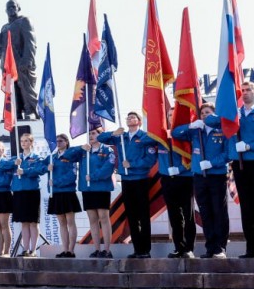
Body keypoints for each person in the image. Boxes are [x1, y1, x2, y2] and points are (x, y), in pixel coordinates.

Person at [207, 80, 254, 258]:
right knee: (246, 206)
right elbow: (211, 120)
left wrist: (249, 146)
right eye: (243, 90)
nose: (245, 93)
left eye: (248, 90)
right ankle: (251, 248)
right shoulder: (235, 115)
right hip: (240, 165)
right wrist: (228, 113)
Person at [98, 112, 158, 258]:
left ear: (139, 121)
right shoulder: (121, 136)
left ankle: (145, 250)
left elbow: (150, 159)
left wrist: (132, 164)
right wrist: (113, 133)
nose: (130, 119)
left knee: (143, 215)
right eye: (128, 117)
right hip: (126, 180)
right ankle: (137, 249)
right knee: (131, 215)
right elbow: (101, 138)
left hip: (140, 179)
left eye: (133, 117)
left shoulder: (145, 137)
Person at [174, 102, 228, 258]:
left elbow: (228, 153)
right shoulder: (196, 130)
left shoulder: (222, 130)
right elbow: (176, 133)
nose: (204, 116)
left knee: (218, 211)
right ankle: (210, 247)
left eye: (208, 113)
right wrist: (191, 125)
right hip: (199, 176)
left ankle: (220, 247)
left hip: (216, 175)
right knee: (205, 213)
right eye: (202, 113)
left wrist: (212, 163)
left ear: (214, 114)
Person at [68, 126, 116, 258]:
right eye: (89, 134)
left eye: (93, 133)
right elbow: (67, 155)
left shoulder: (107, 150)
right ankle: (97, 249)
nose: (91, 136)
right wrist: (80, 148)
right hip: (87, 189)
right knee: (92, 219)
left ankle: (107, 250)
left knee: (103, 218)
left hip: (101, 189)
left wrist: (93, 176)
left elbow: (108, 168)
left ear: (100, 135)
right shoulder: (84, 151)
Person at [158, 108, 196, 258]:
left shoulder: (187, 134)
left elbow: (193, 157)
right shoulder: (160, 136)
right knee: (174, 216)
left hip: (185, 177)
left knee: (188, 215)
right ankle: (178, 247)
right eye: (169, 115)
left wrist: (179, 169)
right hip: (167, 179)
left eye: (174, 114)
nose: (171, 117)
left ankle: (189, 248)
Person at [11, 133, 49, 257]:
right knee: (24, 222)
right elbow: (5, 167)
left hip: (32, 192)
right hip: (19, 192)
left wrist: (25, 171)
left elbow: (41, 170)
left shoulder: (36, 158)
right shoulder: (17, 158)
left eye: (26, 141)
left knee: (33, 222)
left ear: (31, 142)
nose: (23, 143)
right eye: (22, 141)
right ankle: (25, 249)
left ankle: (33, 250)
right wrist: (14, 163)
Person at [49, 134, 82, 258]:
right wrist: (47, 167)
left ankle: (71, 251)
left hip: (67, 192)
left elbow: (72, 176)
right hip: (56, 193)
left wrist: (56, 182)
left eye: (61, 141)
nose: (58, 143)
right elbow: (40, 166)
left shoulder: (70, 156)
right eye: (56, 141)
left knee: (70, 222)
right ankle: (64, 249)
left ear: (66, 142)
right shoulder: (52, 157)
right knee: (62, 223)